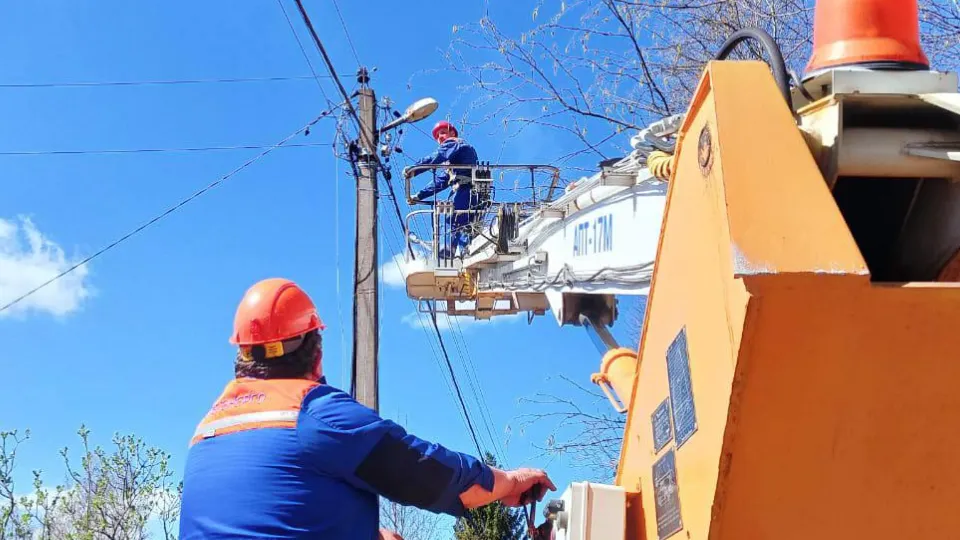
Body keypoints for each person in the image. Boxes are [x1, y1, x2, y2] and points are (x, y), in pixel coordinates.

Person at [179, 277, 555, 539]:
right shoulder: (315, 416)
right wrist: (510, 482)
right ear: (318, 354)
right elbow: (441, 479)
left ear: (243, 356)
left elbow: (273, 513)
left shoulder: (209, 429)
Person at [404, 120, 487, 259]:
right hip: (471, 192)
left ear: (452, 132)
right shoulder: (453, 158)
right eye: (437, 136)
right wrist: (419, 195)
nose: (440, 138)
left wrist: (414, 170)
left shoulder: (454, 143)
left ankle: (450, 250)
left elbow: (435, 157)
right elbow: (441, 181)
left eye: (442, 133)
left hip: (466, 190)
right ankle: (466, 251)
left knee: (452, 218)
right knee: (464, 223)